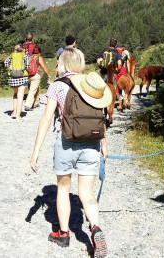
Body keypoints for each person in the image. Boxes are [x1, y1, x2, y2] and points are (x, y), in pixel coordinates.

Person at [29, 47, 110, 257]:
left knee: (63, 189)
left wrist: (35, 151)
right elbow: (100, 114)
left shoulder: (58, 85)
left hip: (65, 142)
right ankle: (95, 228)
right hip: (91, 141)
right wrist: (104, 144)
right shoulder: (91, 83)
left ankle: (63, 234)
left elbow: (47, 118)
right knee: (87, 194)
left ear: (62, 63)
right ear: (81, 63)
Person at [4, 44, 29, 121]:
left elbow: (5, 63)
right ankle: (18, 116)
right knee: (20, 96)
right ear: (22, 49)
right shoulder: (25, 56)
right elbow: (27, 66)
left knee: (15, 95)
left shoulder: (11, 56)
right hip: (22, 77)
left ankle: (14, 111)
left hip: (12, 78)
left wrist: (10, 69)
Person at [24, 45, 51, 111]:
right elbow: (43, 67)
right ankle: (28, 105)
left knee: (35, 88)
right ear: (39, 52)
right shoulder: (39, 57)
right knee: (32, 90)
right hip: (36, 75)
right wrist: (48, 75)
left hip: (29, 75)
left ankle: (36, 102)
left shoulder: (29, 57)